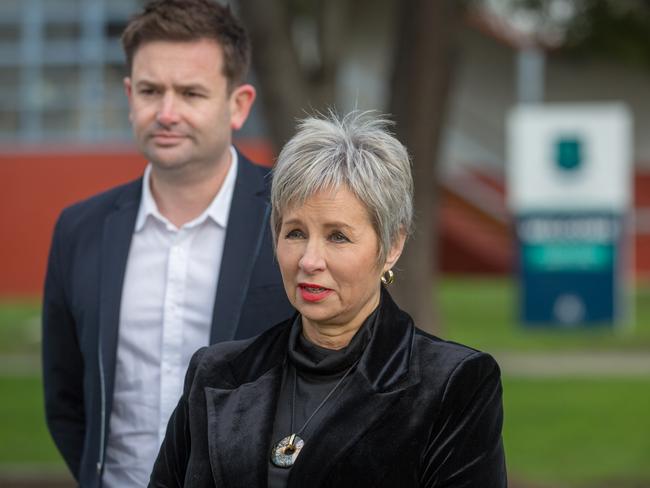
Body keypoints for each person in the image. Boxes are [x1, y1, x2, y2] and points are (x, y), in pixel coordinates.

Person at [149, 111, 507, 487]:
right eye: (295, 233)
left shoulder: (453, 384)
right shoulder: (215, 373)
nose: (309, 260)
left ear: (392, 245)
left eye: (337, 236)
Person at [41, 1, 294, 486]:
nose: (167, 112)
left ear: (238, 105)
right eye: (151, 91)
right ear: (129, 94)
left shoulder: (295, 221)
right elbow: (65, 398)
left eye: (191, 93)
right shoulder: (80, 229)